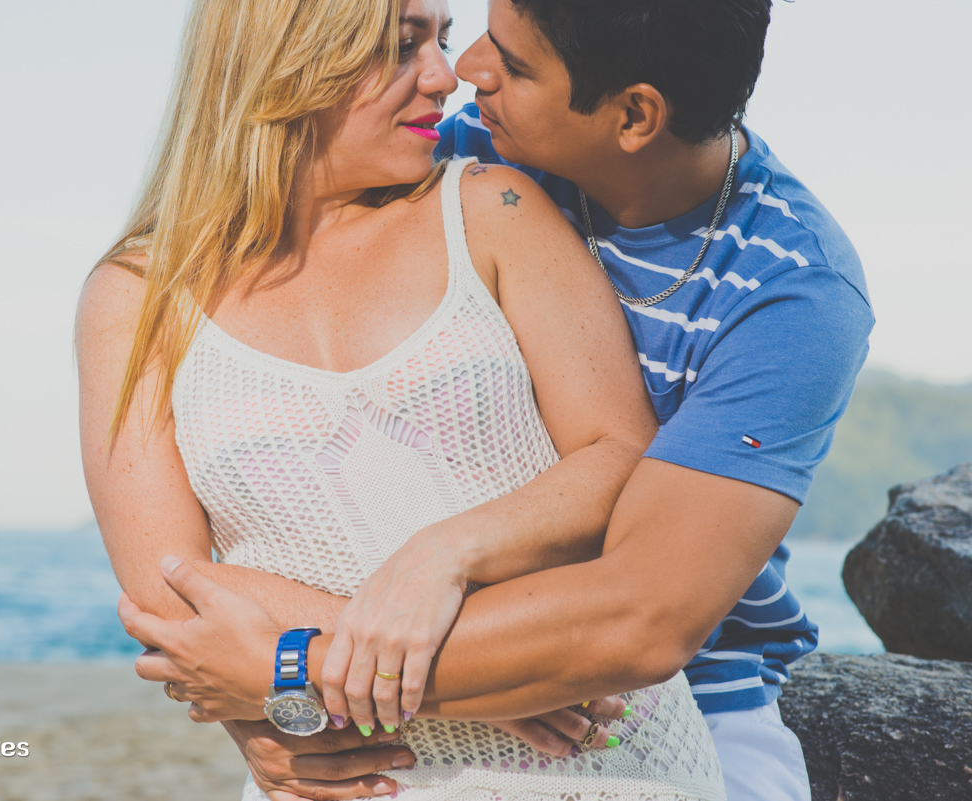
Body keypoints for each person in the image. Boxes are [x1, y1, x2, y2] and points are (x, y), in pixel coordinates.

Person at [115, 1, 874, 801]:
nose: (463, 71)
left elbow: (642, 619)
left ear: (635, 115)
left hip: (665, 694)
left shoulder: (793, 294)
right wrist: (266, 705)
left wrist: (284, 668)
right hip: (431, 659)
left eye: (512, 64)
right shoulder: (457, 147)